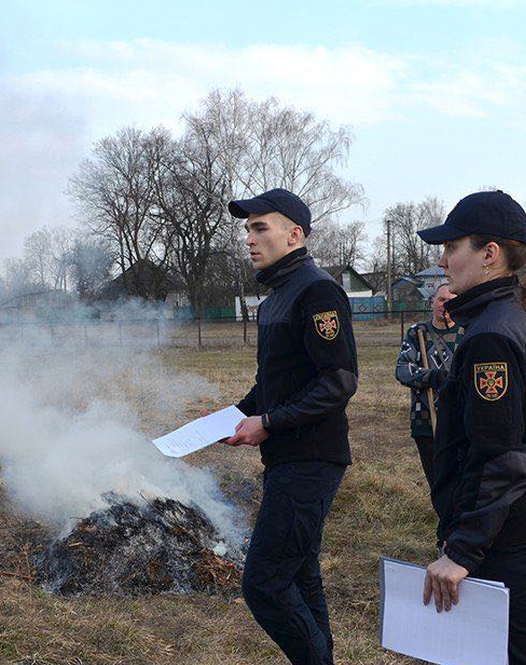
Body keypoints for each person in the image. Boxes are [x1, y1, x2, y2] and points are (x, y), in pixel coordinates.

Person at [416, 191, 526, 665]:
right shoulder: (496, 321)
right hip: (510, 533)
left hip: (510, 539)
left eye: (450, 248)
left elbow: (503, 460)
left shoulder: (491, 338)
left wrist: (462, 552)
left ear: (489, 255)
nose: (442, 262)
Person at [224, 188, 358, 665]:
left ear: (294, 234)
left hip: (311, 458)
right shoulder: (277, 297)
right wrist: (238, 415)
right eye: (247, 229)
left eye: (261, 228)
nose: (249, 238)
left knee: (264, 584)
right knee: (300, 576)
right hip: (287, 457)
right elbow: (273, 381)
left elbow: (338, 382)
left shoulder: (317, 290)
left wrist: (270, 422)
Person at [395, 283, 462, 488]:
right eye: (441, 300)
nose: (445, 305)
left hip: (459, 422)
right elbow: (403, 371)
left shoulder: (466, 332)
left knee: (461, 481)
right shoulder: (417, 333)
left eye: (452, 301)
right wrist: (435, 376)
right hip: (425, 420)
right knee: (438, 484)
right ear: (432, 302)